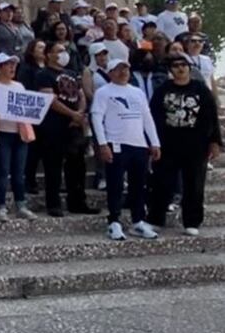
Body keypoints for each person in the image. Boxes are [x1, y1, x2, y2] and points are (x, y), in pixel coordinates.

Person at [148, 57, 223, 236]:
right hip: (168, 144)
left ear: (189, 68)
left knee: (194, 184)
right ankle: (155, 219)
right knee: (161, 182)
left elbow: (212, 117)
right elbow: (153, 117)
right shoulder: (162, 91)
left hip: (196, 145)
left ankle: (192, 221)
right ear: (170, 70)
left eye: (184, 65)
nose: (180, 69)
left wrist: (214, 142)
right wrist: (152, 142)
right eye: (176, 66)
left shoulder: (201, 90)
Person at [90, 58, 161, 241]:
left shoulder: (137, 92)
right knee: (115, 185)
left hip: (138, 144)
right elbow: (97, 117)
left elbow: (146, 117)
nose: (123, 73)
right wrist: (103, 143)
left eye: (126, 69)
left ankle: (138, 221)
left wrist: (154, 142)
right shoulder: (104, 92)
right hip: (116, 143)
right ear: (111, 72)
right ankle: (114, 221)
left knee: (138, 185)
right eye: (118, 69)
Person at [34, 41, 99, 217]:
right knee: (53, 166)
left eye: (64, 50)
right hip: (54, 126)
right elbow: (50, 100)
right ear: (49, 54)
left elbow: (81, 95)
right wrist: (72, 114)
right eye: (59, 50)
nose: (64, 54)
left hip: (74, 127)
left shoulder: (72, 73)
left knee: (78, 166)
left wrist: (79, 113)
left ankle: (78, 201)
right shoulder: (43, 75)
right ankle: (53, 204)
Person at [0, 53, 38, 222]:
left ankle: (21, 205)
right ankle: (1, 207)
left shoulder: (19, 86)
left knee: (19, 172)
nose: (12, 68)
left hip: (18, 132)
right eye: (8, 65)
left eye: (13, 65)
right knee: (3, 170)